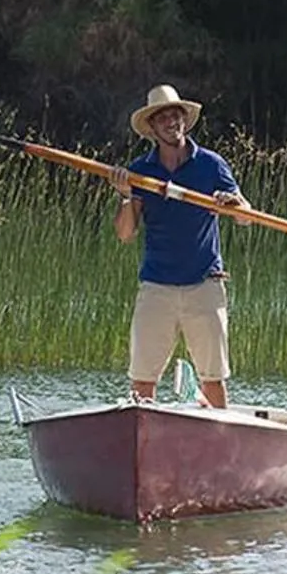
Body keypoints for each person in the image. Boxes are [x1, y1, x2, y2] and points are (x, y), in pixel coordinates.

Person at [109, 84, 254, 408]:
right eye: (163, 118)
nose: (171, 122)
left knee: (212, 377)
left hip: (204, 284)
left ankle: (219, 443)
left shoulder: (212, 165)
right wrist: (126, 195)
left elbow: (245, 217)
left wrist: (233, 203)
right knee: (142, 380)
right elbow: (125, 234)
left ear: (184, 121)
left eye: (176, 116)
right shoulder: (140, 171)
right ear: (153, 127)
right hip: (156, 285)